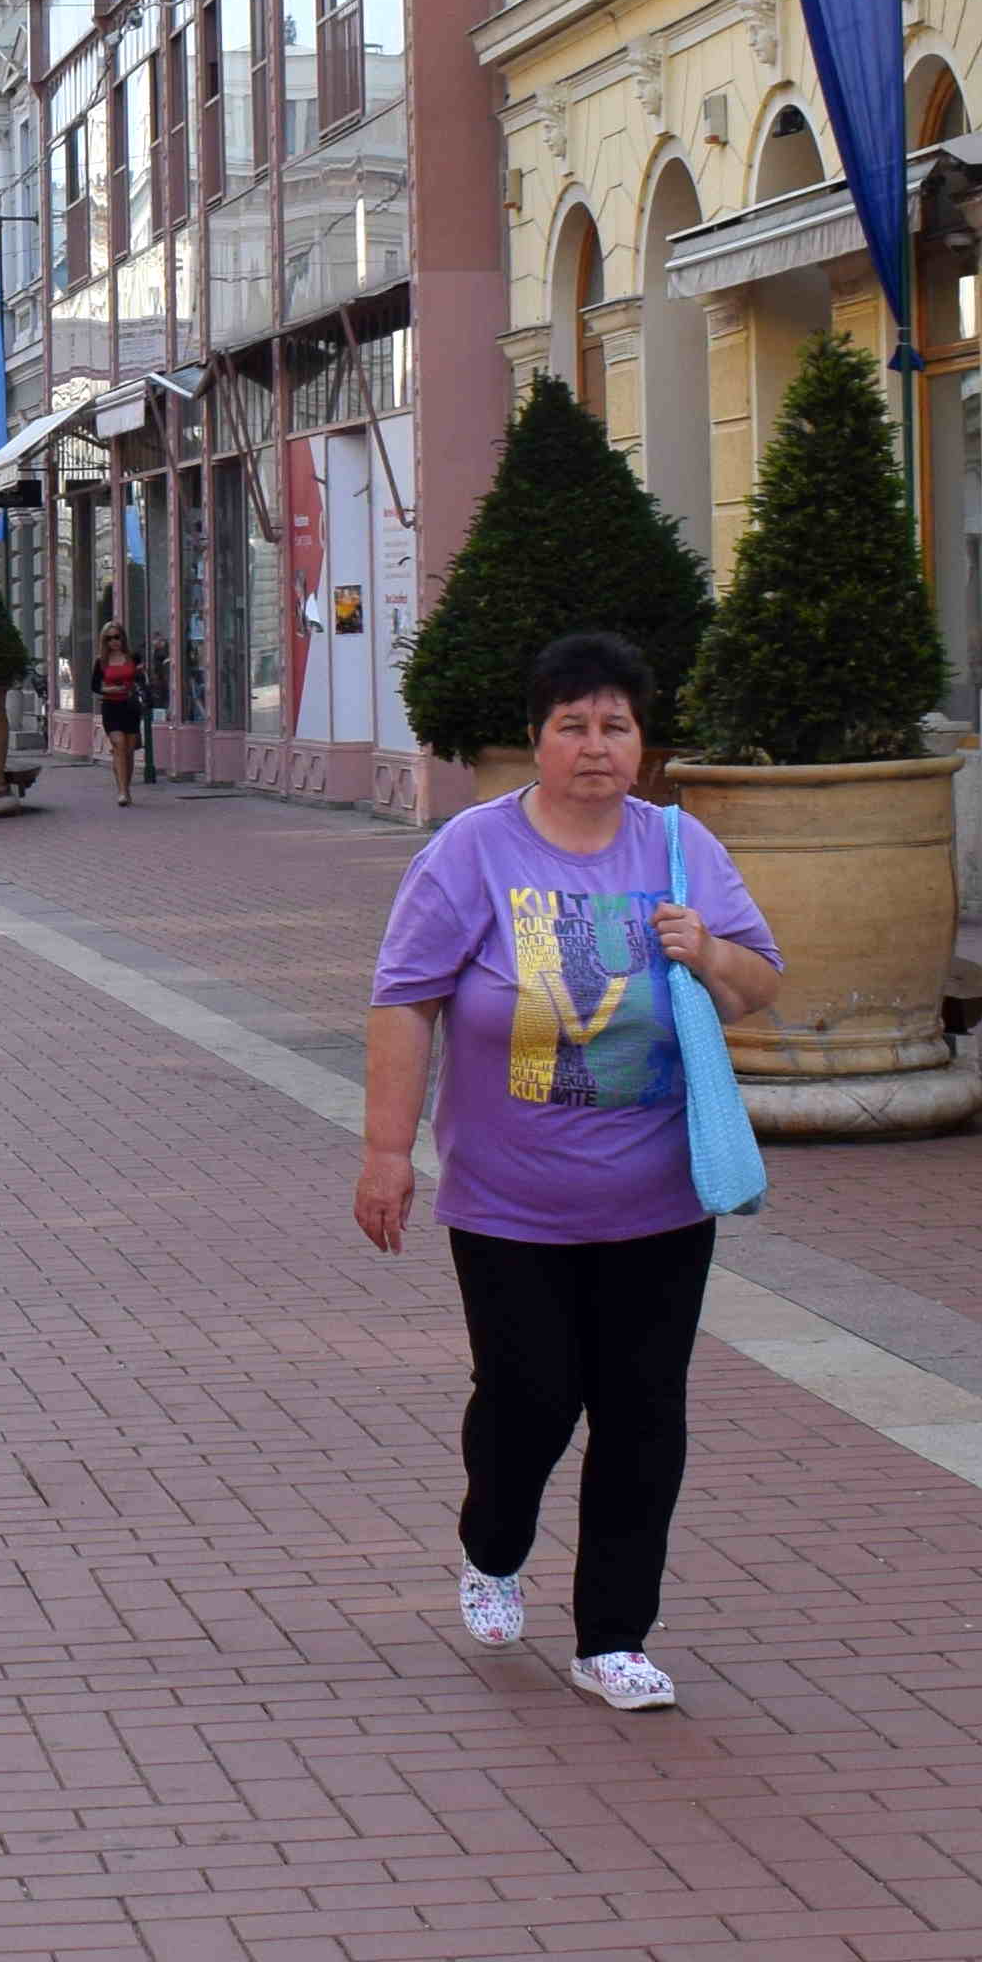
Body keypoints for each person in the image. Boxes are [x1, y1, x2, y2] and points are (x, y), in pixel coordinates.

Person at [353, 631, 780, 1712]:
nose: (595, 746)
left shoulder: (681, 847)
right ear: (537, 736)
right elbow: (405, 1000)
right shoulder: (470, 854)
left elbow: (760, 982)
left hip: (659, 1198)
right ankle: (493, 1545)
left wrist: (709, 951)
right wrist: (386, 1152)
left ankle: (613, 1634)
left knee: (644, 1411)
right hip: (510, 1202)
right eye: (573, 725)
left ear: (643, 741)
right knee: (531, 1396)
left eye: (616, 725)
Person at [94, 631, 150, 803]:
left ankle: (127, 788)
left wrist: (141, 675)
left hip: (130, 706)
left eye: (116, 637)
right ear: (105, 641)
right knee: (119, 745)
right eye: (109, 638)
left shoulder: (133, 657)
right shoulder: (101, 661)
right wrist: (109, 690)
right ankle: (122, 792)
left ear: (123, 638)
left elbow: (143, 680)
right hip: (111, 707)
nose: (113, 641)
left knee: (129, 750)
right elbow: (95, 686)